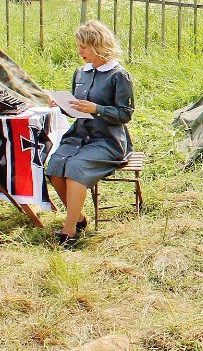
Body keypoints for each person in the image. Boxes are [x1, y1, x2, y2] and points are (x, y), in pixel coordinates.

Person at [45, 21, 135, 248]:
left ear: (98, 45)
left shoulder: (118, 75)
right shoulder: (80, 73)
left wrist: (98, 109)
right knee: (55, 166)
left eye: (84, 47)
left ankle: (69, 230)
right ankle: (80, 218)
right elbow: (77, 108)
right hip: (79, 136)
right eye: (79, 46)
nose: (80, 52)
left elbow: (125, 114)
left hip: (107, 140)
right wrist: (60, 105)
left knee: (75, 169)